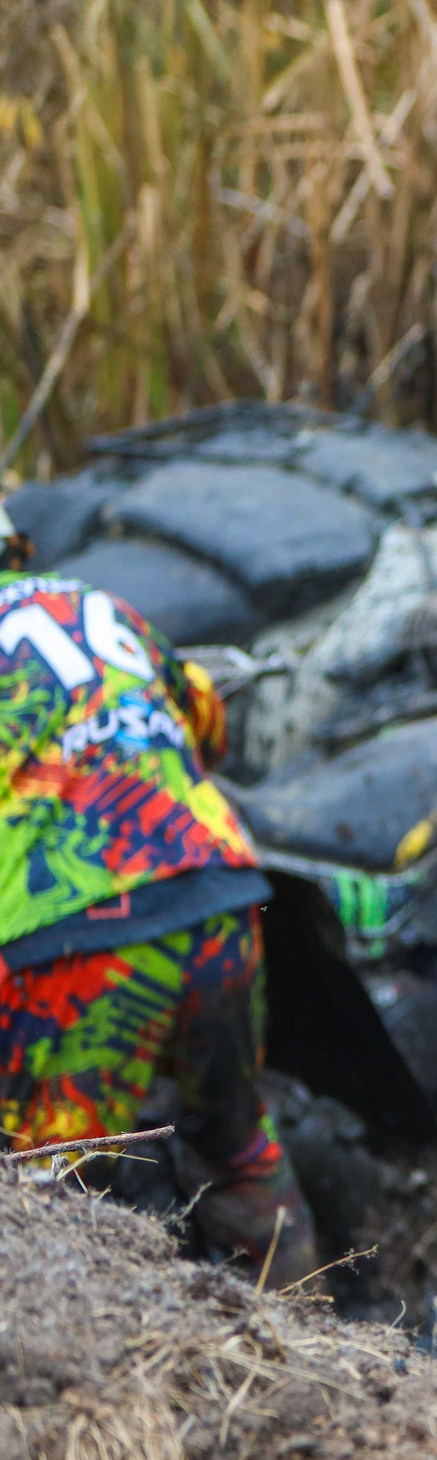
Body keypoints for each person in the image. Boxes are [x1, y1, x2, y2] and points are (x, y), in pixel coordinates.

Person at [0, 499, 316, 1282]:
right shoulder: (98, 605)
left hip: (76, 941)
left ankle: (74, 1391)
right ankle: (326, 1352)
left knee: (47, 1195)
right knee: (241, 1148)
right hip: (219, 896)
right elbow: (206, 721)